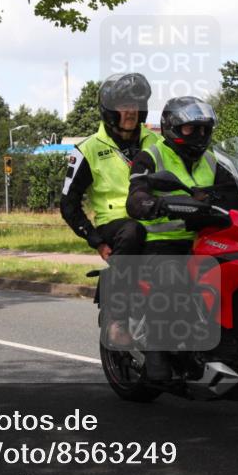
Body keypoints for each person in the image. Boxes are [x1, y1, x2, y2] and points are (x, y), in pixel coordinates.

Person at [126, 96, 237, 380]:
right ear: (172, 128)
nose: (199, 136)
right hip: (163, 242)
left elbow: (237, 193)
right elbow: (136, 192)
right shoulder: (151, 156)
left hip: (207, 237)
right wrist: (149, 204)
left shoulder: (212, 161)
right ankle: (157, 351)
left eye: (204, 129)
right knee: (171, 275)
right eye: (191, 129)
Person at [60, 73, 162, 345]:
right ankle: (117, 316)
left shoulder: (158, 144)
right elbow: (68, 203)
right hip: (117, 224)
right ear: (108, 110)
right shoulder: (88, 149)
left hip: (157, 219)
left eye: (136, 104)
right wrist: (96, 241)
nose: (130, 111)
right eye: (123, 104)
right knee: (132, 231)